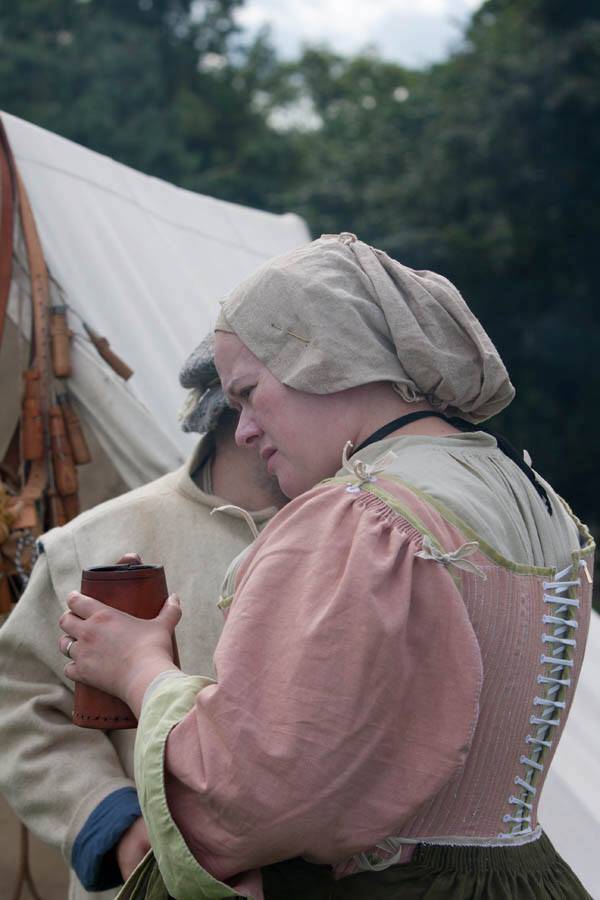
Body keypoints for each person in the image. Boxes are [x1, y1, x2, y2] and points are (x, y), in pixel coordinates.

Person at [58, 233, 594, 900]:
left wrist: (140, 668)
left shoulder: (359, 516)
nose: (245, 430)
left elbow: (248, 799)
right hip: (531, 881)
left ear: (327, 356)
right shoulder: (538, 497)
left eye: (250, 393)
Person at [0, 337, 285, 900]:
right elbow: (20, 704)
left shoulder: (370, 534)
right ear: (236, 408)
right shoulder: (91, 544)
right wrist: (119, 829)